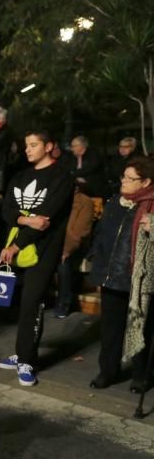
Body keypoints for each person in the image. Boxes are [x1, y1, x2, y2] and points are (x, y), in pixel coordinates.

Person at [0, 131, 73, 386]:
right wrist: (26, 219)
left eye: (33, 145)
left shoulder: (61, 177)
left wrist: (18, 244)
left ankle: (28, 360)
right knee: (21, 302)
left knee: (32, 302)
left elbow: (46, 220)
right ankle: (21, 352)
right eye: (26, 145)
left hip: (42, 250)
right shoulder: (20, 175)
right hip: (15, 248)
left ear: (49, 146)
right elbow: (6, 211)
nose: (27, 150)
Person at [87, 156, 154, 391]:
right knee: (110, 328)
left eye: (130, 178)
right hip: (111, 274)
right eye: (123, 176)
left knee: (141, 328)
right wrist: (96, 259)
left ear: (145, 182)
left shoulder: (152, 205)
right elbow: (102, 234)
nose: (123, 181)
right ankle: (107, 371)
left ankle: (141, 375)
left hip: (139, 277)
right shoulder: (116, 202)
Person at [54, 185, 95, 319]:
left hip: (76, 244)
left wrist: (66, 250)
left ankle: (64, 302)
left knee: (63, 264)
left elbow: (80, 232)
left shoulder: (85, 202)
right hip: (56, 241)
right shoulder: (57, 198)